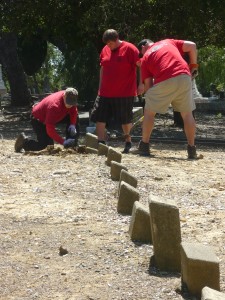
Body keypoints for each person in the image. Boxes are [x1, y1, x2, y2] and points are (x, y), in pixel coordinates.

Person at [137, 38, 199, 159]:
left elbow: (148, 86)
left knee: (149, 113)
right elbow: (192, 45)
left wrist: (151, 103)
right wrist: (194, 66)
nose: (142, 55)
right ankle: (192, 149)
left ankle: (144, 145)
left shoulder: (145, 58)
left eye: (141, 52)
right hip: (185, 76)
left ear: (144, 46)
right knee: (187, 114)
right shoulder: (168, 42)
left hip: (165, 78)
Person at [90, 29, 144, 153]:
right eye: (107, 43)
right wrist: (100, 86)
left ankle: (128, 142)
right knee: (99, 116)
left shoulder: (130, 49)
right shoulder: (105, 50)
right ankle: (101, 143)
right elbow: (103, 68)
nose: (109, 46)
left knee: (125, 119)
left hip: (124, 92)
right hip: (105, 92)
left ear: (117, 39)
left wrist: (141, 84)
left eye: (111, 43)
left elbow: (141, 66)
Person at [14, 87, 79, 152]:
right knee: (46, 146)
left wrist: (72, 124)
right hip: (38, 119)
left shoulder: (71, 97)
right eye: (68, 102)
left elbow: (74, 111)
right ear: (64, 96)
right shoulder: (54, 106)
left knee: (75, 118)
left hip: (52, 115)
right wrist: (63, 142)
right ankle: (24, 142)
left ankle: (72, 145)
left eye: (72, 103)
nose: (70, 105)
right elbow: (50, 130)